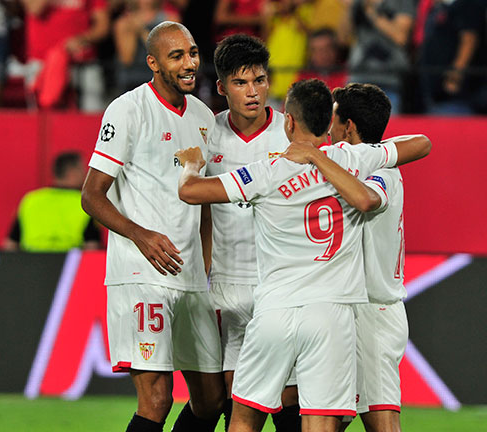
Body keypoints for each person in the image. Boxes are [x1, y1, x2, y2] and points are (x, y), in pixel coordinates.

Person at [174, 78, 430, 432]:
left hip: (275, 310)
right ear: (329, 122)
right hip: (331, 314)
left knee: (245, 417)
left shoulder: (266, 170)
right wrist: (318, 155)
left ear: (289, 122)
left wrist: (190, 164)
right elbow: (421, 144)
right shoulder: (352, 160)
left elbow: (190, 192)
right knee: (320, 422)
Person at [81, 21, 226, 432]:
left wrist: (205, 262)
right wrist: (140, 235)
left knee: (212, 399)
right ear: (153, 63)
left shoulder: (203, 116)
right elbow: (91, 196)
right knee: (157, 400)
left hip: (191, 276)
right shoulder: (128, 110)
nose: (189, 63)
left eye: (192, 53)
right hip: (141, 275)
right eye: (176, 56)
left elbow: (203, 199)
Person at [289, 83, 412, 432]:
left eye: (335, 118)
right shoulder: (348, 167)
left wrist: (316, 157)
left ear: (349, 127)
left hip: (374, 312)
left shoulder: (381, 172)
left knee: (382, 421)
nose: (329, 127)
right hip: (344, 308)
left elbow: (368, 199)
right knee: (329, 418)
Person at [206, 33, 298, 432]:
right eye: (241, 82)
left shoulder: (291, 134)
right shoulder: (207, 133)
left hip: (278, 283)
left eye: (259, 80)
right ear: (222, 87)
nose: (253, 91)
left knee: (287, 398)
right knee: (235, 397)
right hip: (227, 284)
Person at [4, 151, 102, 252]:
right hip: (69, 261)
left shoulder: (31, 200)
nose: (86, 174)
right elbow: (92, 248)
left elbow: (10, 245)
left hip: (30, 260)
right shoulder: (86, 203)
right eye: (83, 170)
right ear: (73, 172)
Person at [341, 0, 414, 114]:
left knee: (386, 123)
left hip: (388, 78)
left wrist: (371, 12)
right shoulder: (358, 3)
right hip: (358, 75)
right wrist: (349, 9)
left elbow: (400, 37)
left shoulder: (402, 2)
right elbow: (343, 38)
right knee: (351, 122)